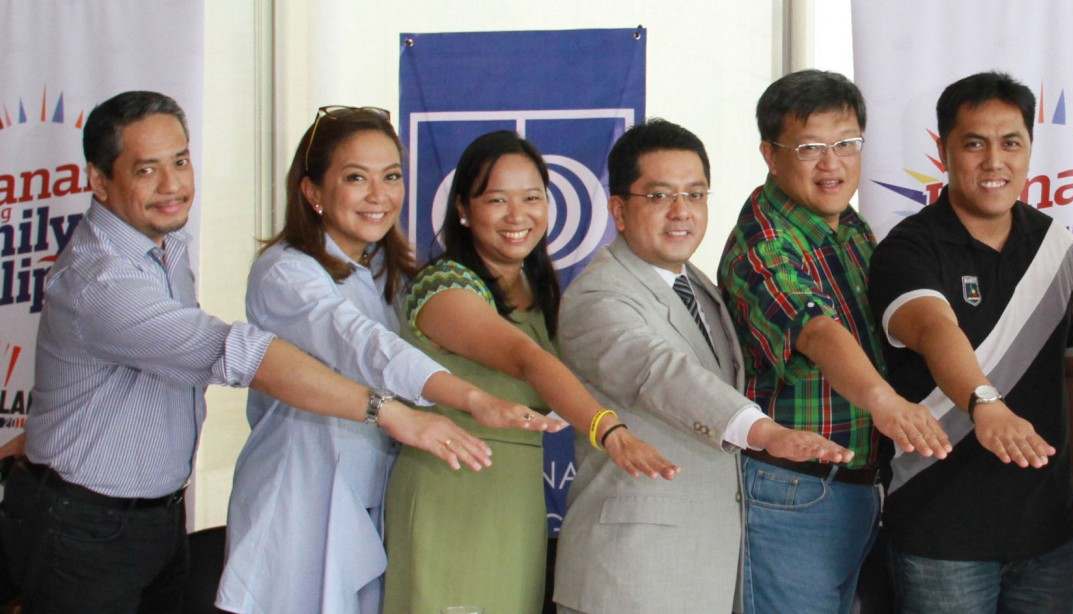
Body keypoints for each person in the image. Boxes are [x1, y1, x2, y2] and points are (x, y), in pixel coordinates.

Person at [2, 90, 491, 614]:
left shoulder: (163, 244)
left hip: (150, 517)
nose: (173, 185)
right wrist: (393, 412)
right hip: (87, 526)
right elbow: (244, 353)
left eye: (181, 161)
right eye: (147, 170)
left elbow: (108, 387)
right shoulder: (103, 279)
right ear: (99, 180)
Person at [218, 106, 561, 614]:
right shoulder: (286, 272)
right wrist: (467, 398)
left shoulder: (390, 270)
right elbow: (360, 344)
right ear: (312, 191)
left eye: (392, 177)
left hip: (375, 502)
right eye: (356, 178)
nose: (379, 196)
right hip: (303, 499)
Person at [551, 119, 853, 614]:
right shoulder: (598, 295)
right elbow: (660, 372)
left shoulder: (700, 287)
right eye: (659, 197)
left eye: (695, 195)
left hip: (704, 567)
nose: (681, 213)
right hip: (629, 577)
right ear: (619, 210)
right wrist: (762, 431)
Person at [382, 130, 677, 614]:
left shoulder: (540, 289)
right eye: (496, 199)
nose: (518, 216)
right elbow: (525, 359)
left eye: (532, 198)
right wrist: (611, 431)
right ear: (462, 208)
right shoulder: (443, 286)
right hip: (451, 492)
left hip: (516, 501)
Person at [720, 69, 951, 614]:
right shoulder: (764, 241)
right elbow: (816, 329)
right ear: (770, 154)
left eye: (846, 143)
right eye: (811, 147)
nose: (833, 163)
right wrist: (885, 402)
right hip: (793, 493)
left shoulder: (849, 226)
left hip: (858, 487)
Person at [867, 71, 1073, 613]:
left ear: (1030, 149)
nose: (995, 162)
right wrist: (985, 402)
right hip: (941, 536)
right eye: (974, 144)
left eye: (1011, 143)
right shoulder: (909, 247)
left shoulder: (1057, 246)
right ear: (944, 151)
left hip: (1047, 535)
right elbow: (936, 329)